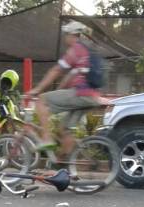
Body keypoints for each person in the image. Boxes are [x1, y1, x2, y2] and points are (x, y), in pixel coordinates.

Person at [27, 20, 105, 156]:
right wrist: (60, 91)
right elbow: (69, 77)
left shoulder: (75, 50)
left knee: (41, 100)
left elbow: (56, 70)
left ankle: (46, 139)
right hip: (92, 96)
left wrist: (37, 89)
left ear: (73, 35)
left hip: (81, 93)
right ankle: (66, 164)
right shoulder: (87, 50)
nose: (65, 37)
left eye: (66, 34)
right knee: (65, 129)